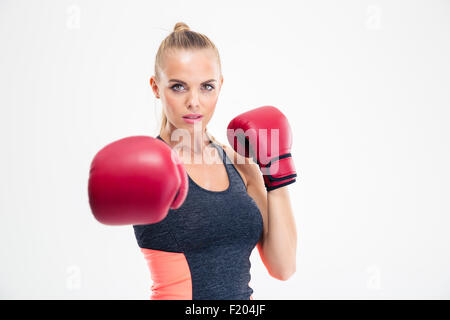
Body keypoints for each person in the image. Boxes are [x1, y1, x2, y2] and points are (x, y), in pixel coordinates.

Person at [131, 22, 298, 300]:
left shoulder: (241, 165)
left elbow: (284, 267)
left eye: (206, 86)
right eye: (178, 87)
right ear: (156, 87)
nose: (194, 101)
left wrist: (277, 174)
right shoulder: (146, 168)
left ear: (219, 86)